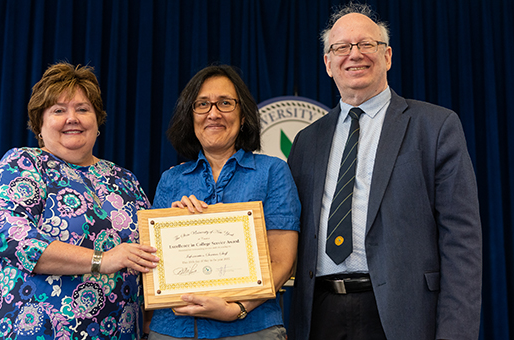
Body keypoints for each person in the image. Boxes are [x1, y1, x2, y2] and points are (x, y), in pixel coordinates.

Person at [287, 3, 482, 340]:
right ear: (328, 63)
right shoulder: (307, 141)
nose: (354, 55)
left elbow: (461, 242)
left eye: (366, 44)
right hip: (320, 315)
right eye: (341, 47)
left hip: (404, 314)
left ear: (387, 56)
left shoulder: (435, 126)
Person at [0, 62, 159, 339]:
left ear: (98, 122)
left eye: (82, 109)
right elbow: (15, 242)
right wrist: (101, 260)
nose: (73, 118)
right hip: (25, 331)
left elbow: (150, 253)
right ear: (40, 124)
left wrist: (185, 218)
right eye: (58, 110)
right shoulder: (22, 164)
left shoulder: (124, 179)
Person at [146, 64, 301, 340]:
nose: (213, 113)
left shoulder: (272, 171)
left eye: (225, 103)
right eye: (202, 104)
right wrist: (171, 231)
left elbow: (282, 261)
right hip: (174, 330)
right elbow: (152, 266)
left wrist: (238, 308)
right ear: (190, 116)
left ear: (243, 116)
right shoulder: (171, 180)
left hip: (251, 327)